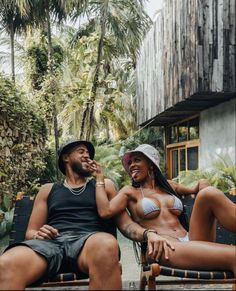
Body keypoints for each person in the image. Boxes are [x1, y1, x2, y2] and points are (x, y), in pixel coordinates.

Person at [0, 139, 147, 290]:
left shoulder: (104, 185)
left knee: (106, 244)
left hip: (88, 244)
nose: (87, 156)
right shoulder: (47, 189)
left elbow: (126, 224)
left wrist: (148, 234)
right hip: (50, 245)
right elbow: (30, 233)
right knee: (6, 263)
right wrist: (38, 234)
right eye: (81, 151)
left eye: (88, 153)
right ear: (66, 158)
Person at [93, 144, 236, 276]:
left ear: (150, 164)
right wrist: (100, 178)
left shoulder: (169, 186)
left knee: (209, 193)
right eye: (129, 163)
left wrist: (204, 184)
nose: (132, 165)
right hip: (163, 246)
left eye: (137, 160)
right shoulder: (130, 192)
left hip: (191, 239)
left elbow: (197, 188)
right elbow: (105, 211)